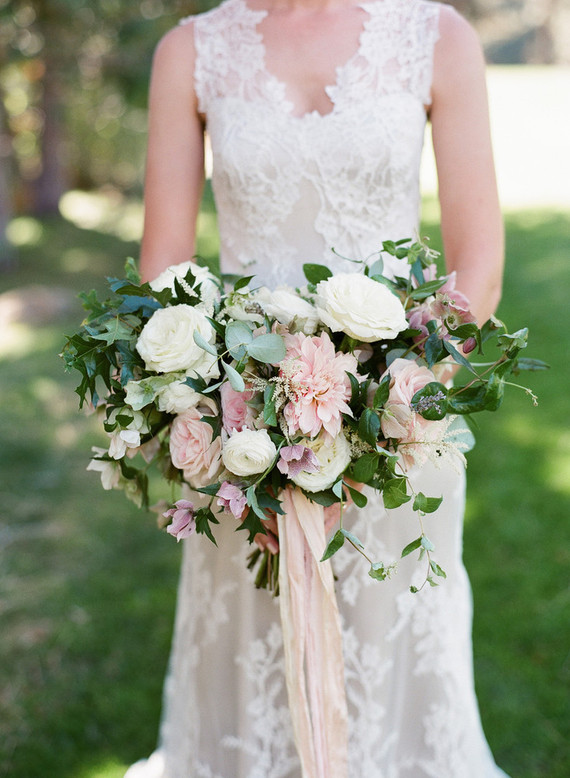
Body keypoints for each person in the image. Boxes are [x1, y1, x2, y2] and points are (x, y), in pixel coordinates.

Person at [126, 0, 507, 776]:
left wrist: (383, 415)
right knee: (251, 663)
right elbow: (162, 272)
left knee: (391, 655)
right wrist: (232, 429)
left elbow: (479, 269)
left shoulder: (437, 37)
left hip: (400, 432)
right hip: (242, 443)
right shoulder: (190, 50)